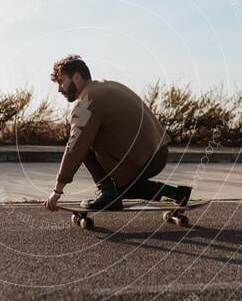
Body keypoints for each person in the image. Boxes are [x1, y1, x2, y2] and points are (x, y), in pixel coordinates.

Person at [43, 55, 192, 212]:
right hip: (158, 151)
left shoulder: (86, 101)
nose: (59, 89)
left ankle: (108, 194)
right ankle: (178, 193)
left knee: (83, 146)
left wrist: (57, 190)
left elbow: (75, 147)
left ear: (77, 77)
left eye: (61, 82)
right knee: (123, 189)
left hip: (145, 159)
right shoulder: (107, 86)